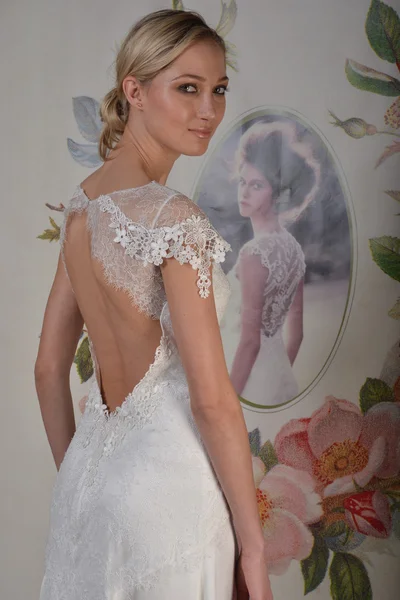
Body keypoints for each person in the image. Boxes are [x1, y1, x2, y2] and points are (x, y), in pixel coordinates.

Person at [34, 9, 273, 600]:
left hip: (90, 489)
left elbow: (46, 369)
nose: (208, 111)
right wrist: (256, 552)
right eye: (187, 89)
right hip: (172, 493)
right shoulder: (175, 219)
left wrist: (83, 478)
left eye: (218, 90)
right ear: (134, 91)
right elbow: (214, 401)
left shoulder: (81, 210)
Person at [228, 121, 320, 407]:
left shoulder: (254, 253)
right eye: (242, 182)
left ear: (278, 194)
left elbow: (250, 342)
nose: (244, 193)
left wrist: (227, 403)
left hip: (247, 382)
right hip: (279, 380)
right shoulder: (293, 248)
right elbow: (297, 333)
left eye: (256, 185)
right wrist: (279, 373)